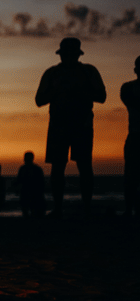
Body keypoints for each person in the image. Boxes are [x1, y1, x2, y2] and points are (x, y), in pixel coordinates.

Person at [35, 37, 106, 217]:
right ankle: (59, 208)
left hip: (82, 125)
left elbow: (102, 96)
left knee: (84, 166)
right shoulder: (52, 74)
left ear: (77, 55)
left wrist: (79, 90)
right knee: (58, 167)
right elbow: (39, 100)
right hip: (58, 125)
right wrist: (57, 90)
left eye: (70, 54)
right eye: (65, 55)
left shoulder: (88, 71)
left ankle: (86, 207)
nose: (67, 58)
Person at [120, 56, 139, 217]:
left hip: (134, 136)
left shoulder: (128, 89)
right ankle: (128, 209)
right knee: (131, 175)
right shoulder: (127, 88)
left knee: (131, 175)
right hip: (135, 136)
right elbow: (132, 102)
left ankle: (129, 210)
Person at [14, 151, 46, 218]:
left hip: (30, 193)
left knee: (29, 211)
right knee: (30, 211)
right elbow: (42, 183)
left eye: (25, 158)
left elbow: (18, 180)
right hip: (30, 193)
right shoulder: (37, 169)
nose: (24, 159)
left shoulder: (24, 169)